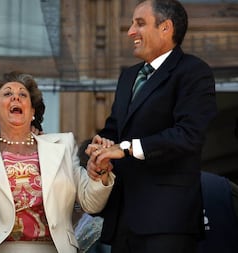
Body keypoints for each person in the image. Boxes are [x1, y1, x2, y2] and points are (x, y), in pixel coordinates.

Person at [86, 1, 217, 253]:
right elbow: (114, 130)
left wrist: (124, 148)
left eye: (140, 23)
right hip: (123, 217)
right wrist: (99, 148)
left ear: (166, 28)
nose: (130, 32)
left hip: (167, 220)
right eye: (132, 24)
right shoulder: (128, 76)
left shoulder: (194, 72)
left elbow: (188, 135)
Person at [0, 71, 115, 253]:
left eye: (23, 94)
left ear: (33, 111)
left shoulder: (62, 147)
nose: (16, 98)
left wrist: (100, 172)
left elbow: (91, 204)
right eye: (7, 94)